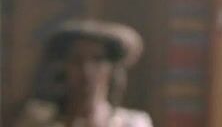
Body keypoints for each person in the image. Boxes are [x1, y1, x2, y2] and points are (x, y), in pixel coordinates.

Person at [14, 20, 153, 127]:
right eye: (77, 60)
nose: (86, 70)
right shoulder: (37, 120)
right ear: (64, 66)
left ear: (112, 68)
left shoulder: (133, 123)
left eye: (97, 60)